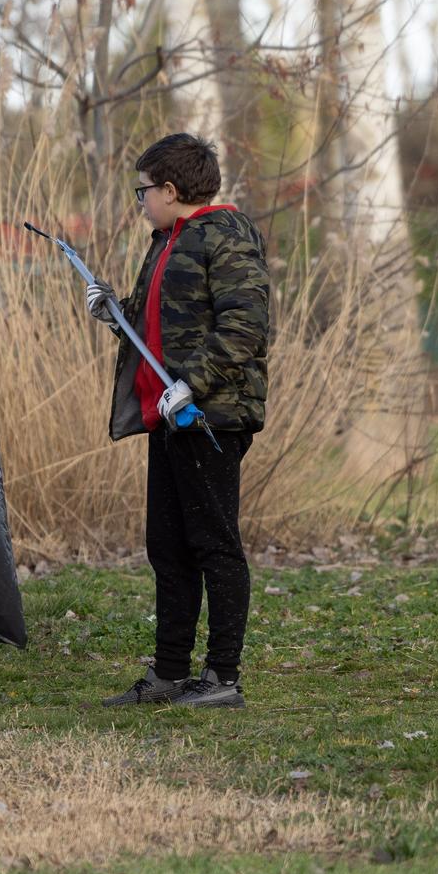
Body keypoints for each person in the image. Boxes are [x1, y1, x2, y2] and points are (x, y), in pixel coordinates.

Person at [84, 132, 270, 710]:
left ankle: (223, 678)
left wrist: (194, 381)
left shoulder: (227, 235)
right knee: (167, 544)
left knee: (214, 543)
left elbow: (245, 325)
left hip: (209, 415)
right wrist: (114, 312)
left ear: (170, 189)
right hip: (166, 418)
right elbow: (155, 327)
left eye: (143, 191)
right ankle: (167, 675)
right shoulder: (166, 240)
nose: (139, 202)